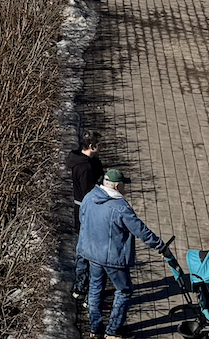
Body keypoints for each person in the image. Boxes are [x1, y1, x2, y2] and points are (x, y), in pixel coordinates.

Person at [77, 168, 166, 338]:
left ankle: (95, 329)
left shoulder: (89, 197)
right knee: (124, 291)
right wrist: (159, 245)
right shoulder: (120, 207)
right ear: (117, 186)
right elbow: (140, 230)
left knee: (95, 289)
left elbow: (83, 219)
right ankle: (113, 331)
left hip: (92, 253)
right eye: (124, 185)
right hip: (113, 258)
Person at [66, 131, 105, 297]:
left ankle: (82, 285)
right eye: (99, 145)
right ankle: (82, 286)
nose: (102, 148)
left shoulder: (80, 161)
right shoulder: (86, 168)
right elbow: (89, 193)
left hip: (80, 209)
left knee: (84, 247)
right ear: (91, 146)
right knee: (86, 250)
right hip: (87, 212)